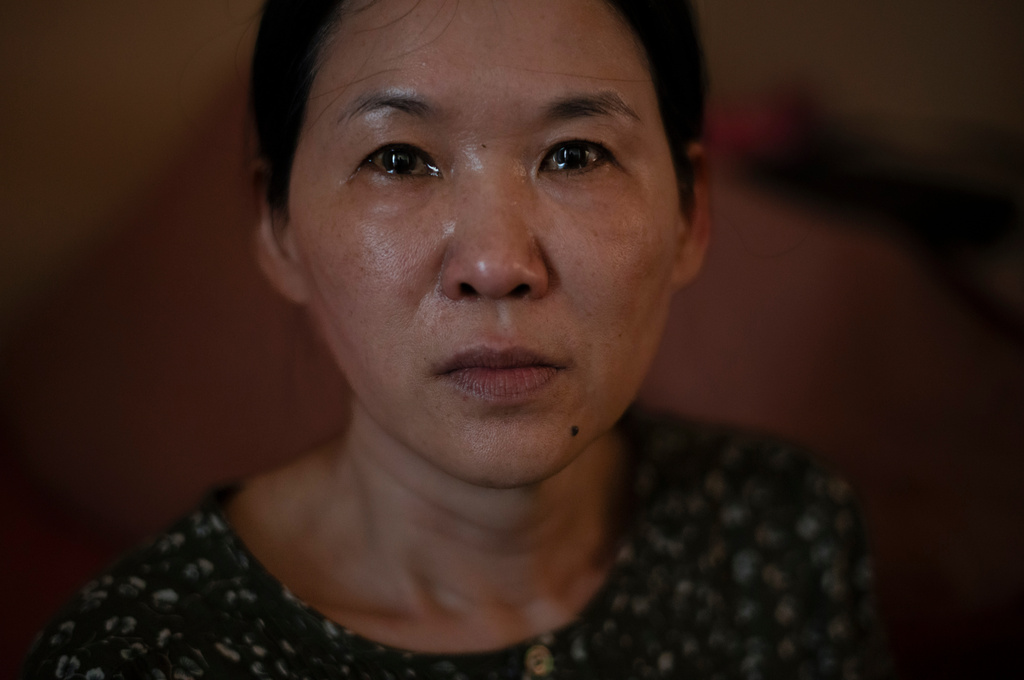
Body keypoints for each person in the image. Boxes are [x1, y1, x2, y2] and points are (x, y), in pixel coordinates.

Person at [22, 0, 891, 678]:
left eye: (576, 154)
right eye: (399, 159)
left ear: (692, 213)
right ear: (278, 227)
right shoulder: (142, 658)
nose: (496, 263)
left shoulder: (781, 535)